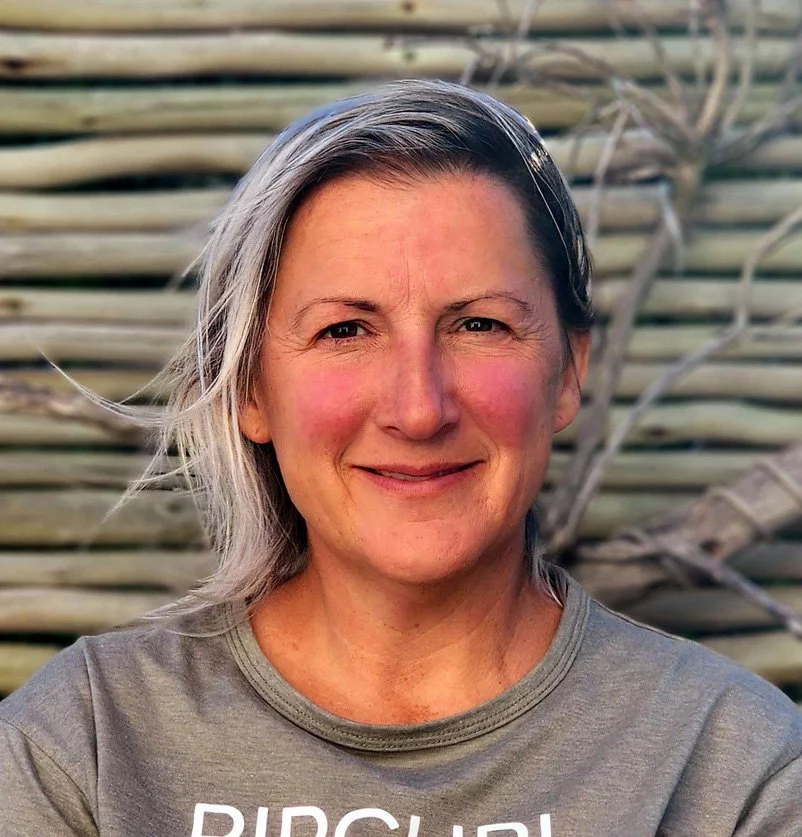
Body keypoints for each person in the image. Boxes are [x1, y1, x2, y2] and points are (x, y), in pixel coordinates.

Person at [1, 79, 800, 837]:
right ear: (250, 388)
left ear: (567, 372)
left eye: (480, 325)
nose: (419, 409)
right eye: (345, 330)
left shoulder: (731, 767)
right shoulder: (86, 745)